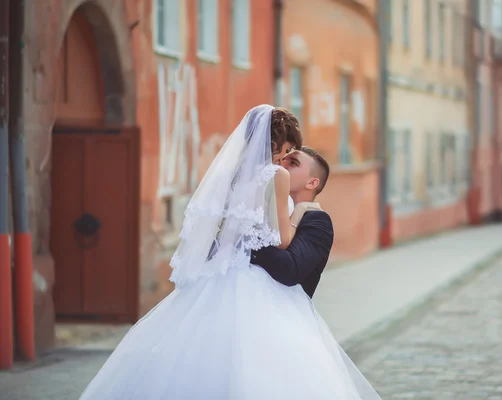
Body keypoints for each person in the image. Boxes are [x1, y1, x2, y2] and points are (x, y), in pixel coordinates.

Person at [79, 105, 381, 400]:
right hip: (246, 285)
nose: (284, 160)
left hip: (236, 287)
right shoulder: (279, 181)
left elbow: (270, 255)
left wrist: (243, 245)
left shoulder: (242, 182)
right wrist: (297, 212)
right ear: (276, 143)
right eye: (287, 152)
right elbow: (279, 240)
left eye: (293, 159)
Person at [251, 146, 332, 298]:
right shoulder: (261, 209)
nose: (282, 164)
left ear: (312, 183)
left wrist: (244, 239)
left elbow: (290, 270)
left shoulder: (318, 221)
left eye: (293, 163)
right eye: (283, 159)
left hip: (284, 313)